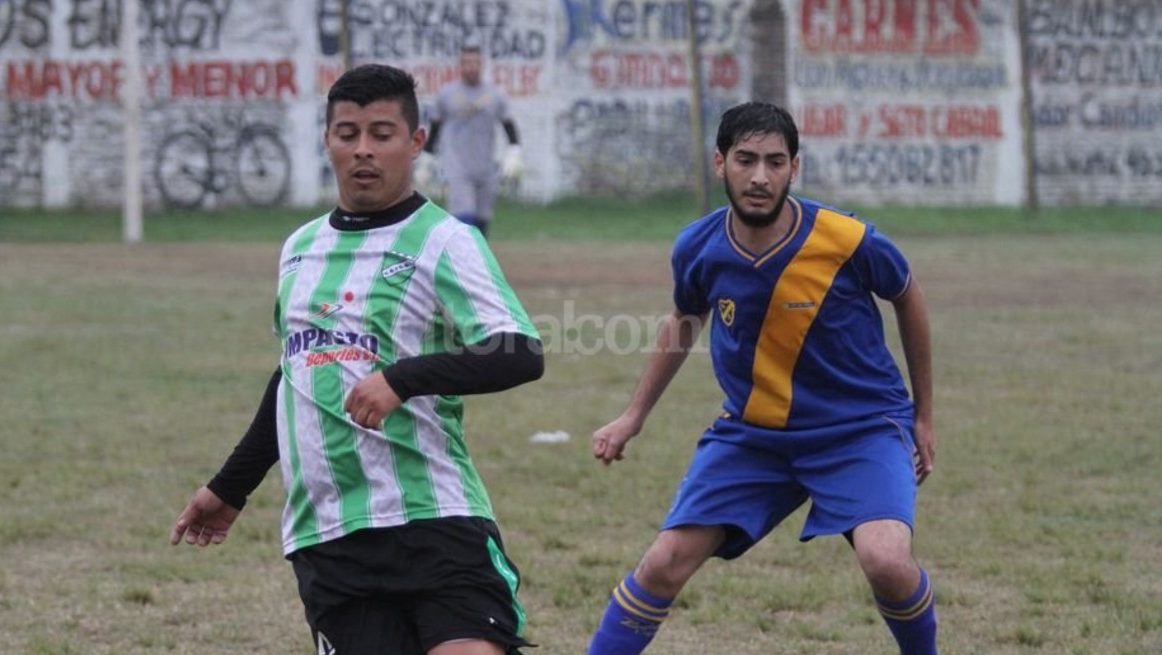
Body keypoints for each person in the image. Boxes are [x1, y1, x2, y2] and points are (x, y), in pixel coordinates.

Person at [170, 63, 544, 655]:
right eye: (348, 134)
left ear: (416, 142)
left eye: (382, 133)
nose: (363, 150)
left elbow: (520, 352)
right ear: (328, 142)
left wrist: (402, 378)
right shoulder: (300, 248)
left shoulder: (446, 241)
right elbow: (296, 376)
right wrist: (230, 488)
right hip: (330, 534)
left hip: (435, 520)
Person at [585, 101, 939, 655]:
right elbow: (684, 318)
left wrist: (922, 414)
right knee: (663, 563)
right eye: (746, 160)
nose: (759, 177)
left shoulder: (847, 240)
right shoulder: (698, 247)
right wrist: (633, 416)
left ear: (794, 168)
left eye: (775, 162)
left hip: (860, 429)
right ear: (719, 163)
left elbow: (907, 294)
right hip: (756, 435)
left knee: (887, 560)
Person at [418, 44, 523, 237]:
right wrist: (426, 160)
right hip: (458, 167)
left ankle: (477, 262)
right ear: (460, 65)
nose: (471, 67)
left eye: (475, 63)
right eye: (467, 63)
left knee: (482, 220)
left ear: (481, 65)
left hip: (486, 167)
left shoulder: (495, 95)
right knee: (463, 218)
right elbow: (435, 128)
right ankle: (460, 262)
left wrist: (514, 153)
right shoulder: (447, 95)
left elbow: (509, 125)